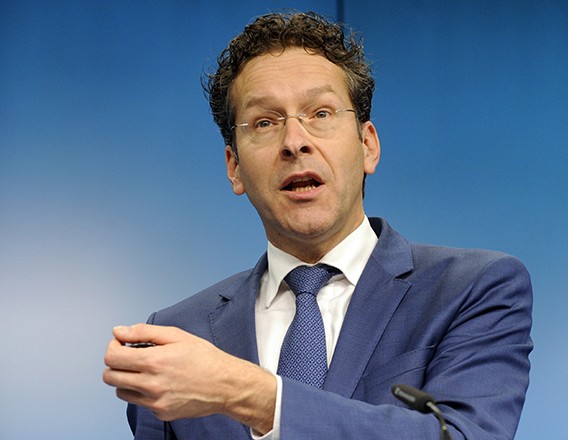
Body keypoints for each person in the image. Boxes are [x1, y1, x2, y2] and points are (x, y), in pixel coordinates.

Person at [103, 11, 533, 440]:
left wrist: (251, 395)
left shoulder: (471, 288)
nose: (295, 141)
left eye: (321, 113)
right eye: (265, 123)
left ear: (367, 146)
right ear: (234, 168)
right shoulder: (181, 336)